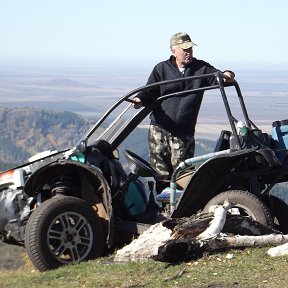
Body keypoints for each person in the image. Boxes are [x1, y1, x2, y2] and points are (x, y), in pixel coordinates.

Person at [132, 32, 235, 191]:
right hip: (159, 129)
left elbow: (219, 76)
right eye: (184, 49)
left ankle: (179, 211)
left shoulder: (201, 68)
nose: (189, 53)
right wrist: (140, 100)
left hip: (183, 132)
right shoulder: (161, 68)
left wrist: (228, 74)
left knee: (182, 176)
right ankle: (163, 210)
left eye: (190, 49)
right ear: (173, 50)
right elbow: (150, 90)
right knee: (161, 175)